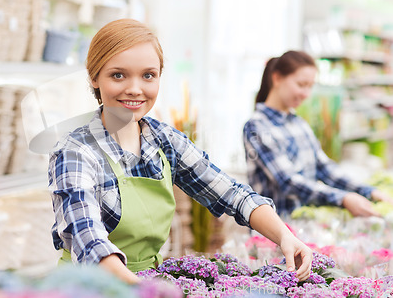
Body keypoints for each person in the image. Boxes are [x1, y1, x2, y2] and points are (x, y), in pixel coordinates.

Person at [48, 19, 312, 285]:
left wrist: (285, 235)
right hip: (88, 286)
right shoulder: (76, 152)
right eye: (118, 75)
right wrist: (144, 289)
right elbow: (89, 242)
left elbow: (232, 194)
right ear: (94, 77)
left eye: (148, 75)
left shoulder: (164, 141)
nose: (135, 89)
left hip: (146, 283)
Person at [243, 50, 393, 218]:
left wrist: (367, 191)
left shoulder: (299, 123)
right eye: (301, 84)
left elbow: (325, 168)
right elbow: (288, 181)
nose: (306, 94)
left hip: (303, 225)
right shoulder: (257, 126)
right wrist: (343, 198)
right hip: (273, 232)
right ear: (277, 78)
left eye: (310, 86)